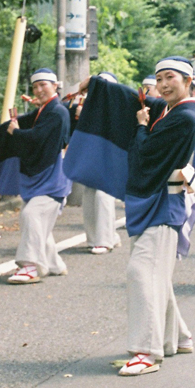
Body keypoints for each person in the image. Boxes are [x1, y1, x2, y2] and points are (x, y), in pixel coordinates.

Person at [71, 58, 195, 376]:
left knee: (141, 271)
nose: (163, 84)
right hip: (158, 199)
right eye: (159, 79)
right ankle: (178, 337)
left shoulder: (185, 117)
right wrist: (102, 86)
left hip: (164, 202)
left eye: (170, 77)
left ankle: (146, 350)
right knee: (155, 272)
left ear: (188, 81)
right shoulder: (171, 109)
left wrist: (141, 127)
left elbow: (144, 153)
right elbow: (139, 99)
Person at [0, 68, 71, 284]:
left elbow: (36, 137)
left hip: (54, 180)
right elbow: (24, 121)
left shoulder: (58, 112)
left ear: (55, 86)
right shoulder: (44, 111)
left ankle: (30, 267)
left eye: (44, 84)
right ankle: (53, 263)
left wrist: (14, 133)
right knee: (36, 220)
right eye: (35, 86)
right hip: (46, 179)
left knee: (32, 215)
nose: (39, 89)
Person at [80, 73, 121, 254]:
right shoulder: (89, 107)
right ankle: (97, 237)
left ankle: (104, 240)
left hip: (112, 158)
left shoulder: (120, 106)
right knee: (89, 195)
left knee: (103, 196)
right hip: (92, 157)